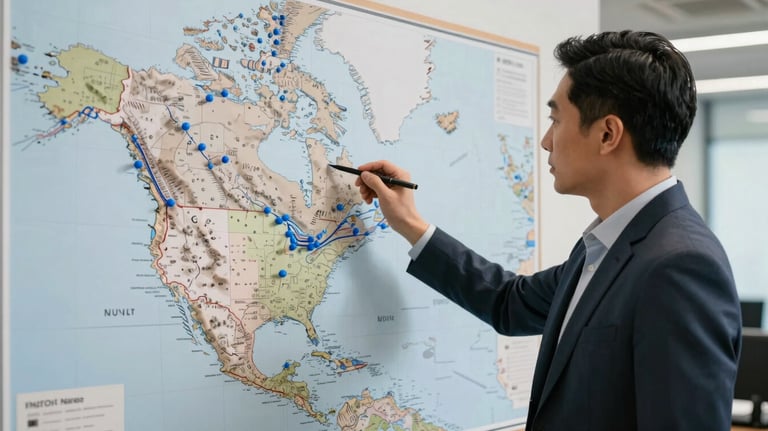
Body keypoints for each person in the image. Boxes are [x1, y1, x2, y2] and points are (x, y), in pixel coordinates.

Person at [354, 30, 741, 431]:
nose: (544, 141)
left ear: (608, 134)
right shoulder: (605, 247)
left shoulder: (680, 267)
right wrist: (411, 225)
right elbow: (510, 303)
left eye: (556, 119)